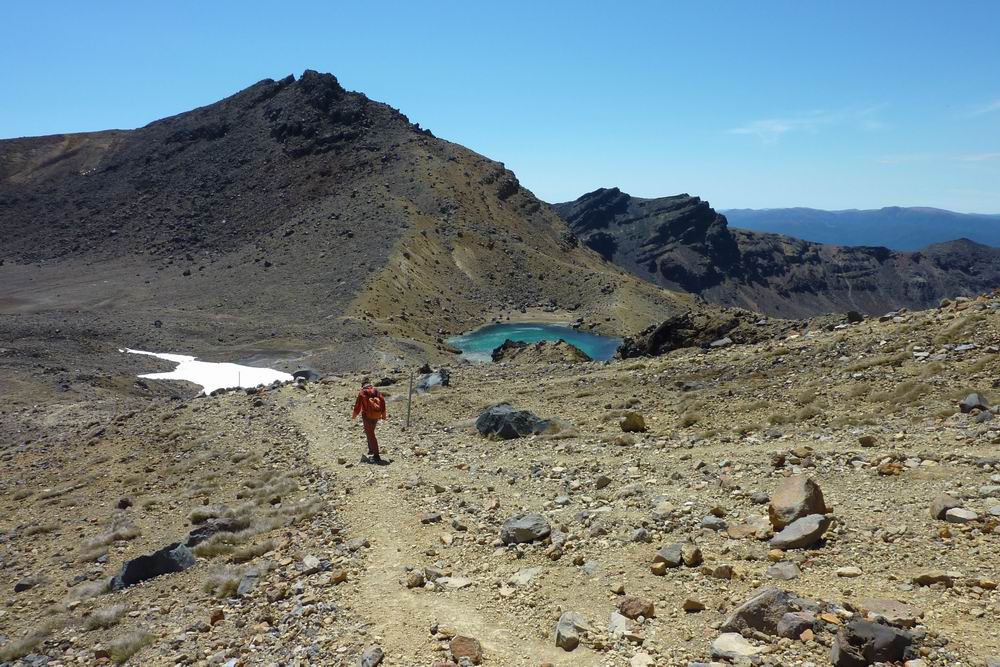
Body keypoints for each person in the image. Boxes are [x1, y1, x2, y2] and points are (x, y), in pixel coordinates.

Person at [351, 378, 387, 464]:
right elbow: (382, 401)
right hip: (376, 415)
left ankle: (376, 456)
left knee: (371, 434)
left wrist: (353, 416)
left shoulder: (362, 392)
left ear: (362, 384)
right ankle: (371, 449)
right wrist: (383, 415)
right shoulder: (376, 391)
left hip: (367, 416)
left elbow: (357, 406)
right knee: (370, 432)